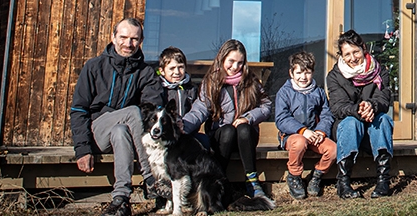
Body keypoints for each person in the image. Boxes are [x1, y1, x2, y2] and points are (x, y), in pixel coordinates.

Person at [70, 18, 169, 216]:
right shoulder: (94, 67)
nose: (128, 43)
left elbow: (152, 109)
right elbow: (79, 110)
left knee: (120, 130)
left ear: (141, 41)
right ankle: (150, 178)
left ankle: (121, 199)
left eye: (134, 39)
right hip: (97, 132)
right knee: (132, 111)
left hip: (126, 136)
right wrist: (82, 149)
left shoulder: (145, 73)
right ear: (113, 37)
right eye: (123, 37)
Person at [181, 39, 273, 203]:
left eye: (240, 62)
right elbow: (199, 110)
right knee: (229, 130)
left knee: (244, 128)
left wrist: (248, 117)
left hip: (245, 138)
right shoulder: (211, 83)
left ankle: (252, 180)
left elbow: (266, 105)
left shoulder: (250, 81)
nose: (235, 66)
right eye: (231, 61)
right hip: (222, 137)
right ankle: (219, 179)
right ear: (222, 58)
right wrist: (183, 126)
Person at [326, 30, 394, 199]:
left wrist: (371, 106)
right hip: (348, 131)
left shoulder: (380, 71)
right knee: (351, 122)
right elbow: (338, 107)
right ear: (341, 56)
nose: (353, 58)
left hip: (372, 131)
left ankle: (383, 180)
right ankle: (343, 183)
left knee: (384, 119)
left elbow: (383, 98)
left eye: (355, 51)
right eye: (347, 54)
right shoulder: (334, 76)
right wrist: (359, 110)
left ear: (363, 48)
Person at [274, 51, 336, 199]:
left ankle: (317, 175)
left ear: (313, 72)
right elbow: (282, 118)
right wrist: (302, 130)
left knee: (333, 149)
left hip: (314, 134)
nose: (303, 77)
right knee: (300, 142)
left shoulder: (319, 92)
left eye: (307, 73)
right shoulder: (284, 93)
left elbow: (326, 115)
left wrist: (321, 131)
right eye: (299, 73)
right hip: (292, 135)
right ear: (291, 73)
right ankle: (294, 175)